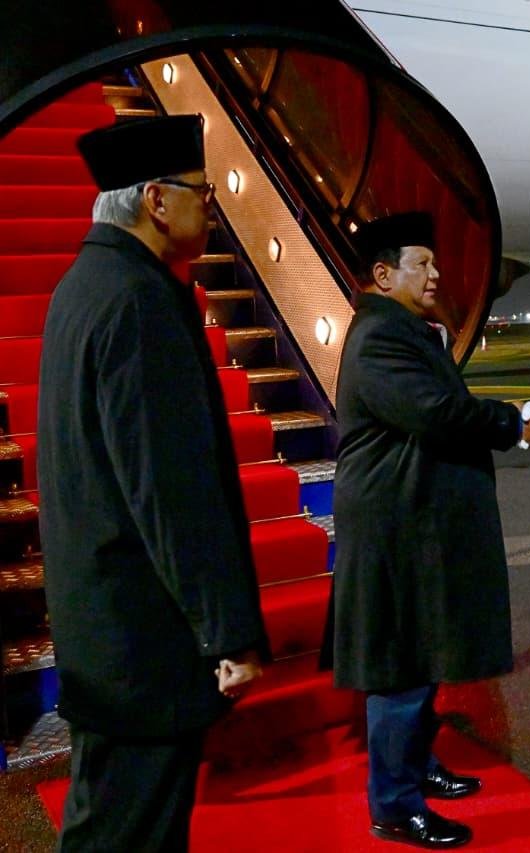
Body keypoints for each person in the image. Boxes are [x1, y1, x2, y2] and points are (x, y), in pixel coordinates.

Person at [38, 115, 268, 851]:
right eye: (203, 191)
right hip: (146, 639)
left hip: (105, 628)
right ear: (157, 200)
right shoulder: (138, 300)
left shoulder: (86, 284)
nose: (212, 207)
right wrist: (226, 630)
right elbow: (168, 491)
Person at [328, 212, 530, 849]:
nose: (435, 274)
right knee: (401, 667)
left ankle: (417, 766)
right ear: (383, 274)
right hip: (396, 528)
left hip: (414, 522)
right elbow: (437, 412)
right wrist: (511, 422)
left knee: (423, 655)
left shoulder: (403, 330)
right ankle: (394, 805)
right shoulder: (380, 336)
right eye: (421, 264)